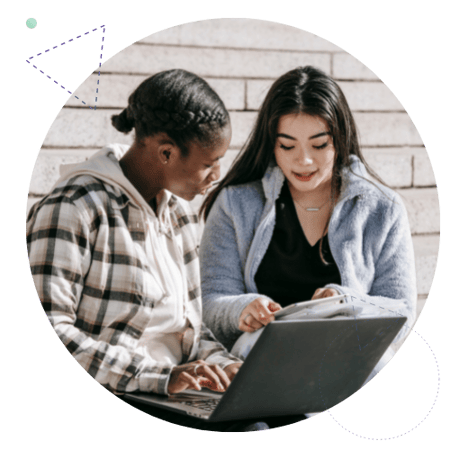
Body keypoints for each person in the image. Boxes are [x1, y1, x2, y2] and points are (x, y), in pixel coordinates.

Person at [26, 69, 283, 432]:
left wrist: (223, 366)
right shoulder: (75, 208)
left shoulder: (178, 214)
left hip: (172, 393)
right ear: (166, 151)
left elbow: (188, 331)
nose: (216, 174)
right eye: (209, 163)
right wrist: (159, 377)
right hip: (119, 392)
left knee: (290, 415)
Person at [199, 66, 417, 380]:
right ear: (271, 143)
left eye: (319, 145)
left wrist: (346, 303)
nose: (303, 161)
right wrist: (242, 309)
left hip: (349, 365)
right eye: (287, 145)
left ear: (340, 140)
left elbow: (401, 313)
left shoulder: (383, 208)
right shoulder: (235, 204)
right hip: (263, 366)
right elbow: (210, 300)